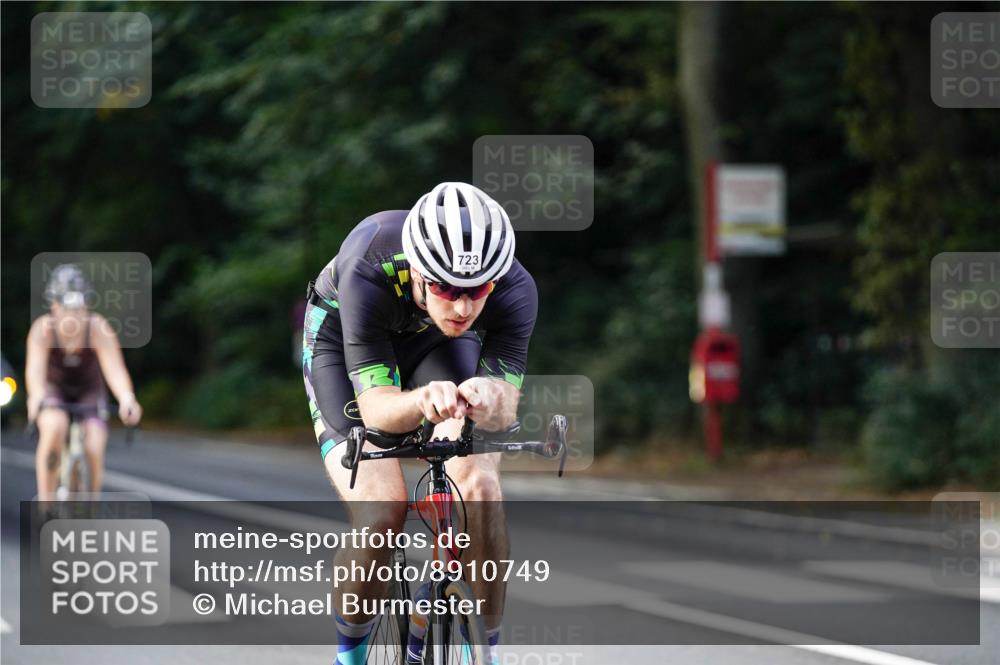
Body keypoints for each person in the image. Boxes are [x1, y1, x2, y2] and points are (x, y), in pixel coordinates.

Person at [302, 182, 536, 665]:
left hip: (436, 346)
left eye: (477, 291)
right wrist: (421, 401)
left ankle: (480, 653)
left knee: (482, 489)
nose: (463, 307)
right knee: (382, 512)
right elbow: (378, 411)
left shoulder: (514, 288)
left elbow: (504, 409)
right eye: (447, 288)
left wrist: (490, 395)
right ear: (419, 271)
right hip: (341, 343)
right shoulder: (368, 263)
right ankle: (350, 656)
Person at [25, 264, 143, 499]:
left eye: (78, 308)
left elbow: (115, 369)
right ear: (54, 306)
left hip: (90, 390)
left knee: (94, 444)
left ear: (86, 306)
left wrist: (127, 398)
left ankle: (92, 502)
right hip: (54, 390)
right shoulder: (43, 330)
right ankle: (46, 504)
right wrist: (36, 396)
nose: (73, 316)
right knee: (54, 427)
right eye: (66, 308)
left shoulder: (98, 328)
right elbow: (35, 372)